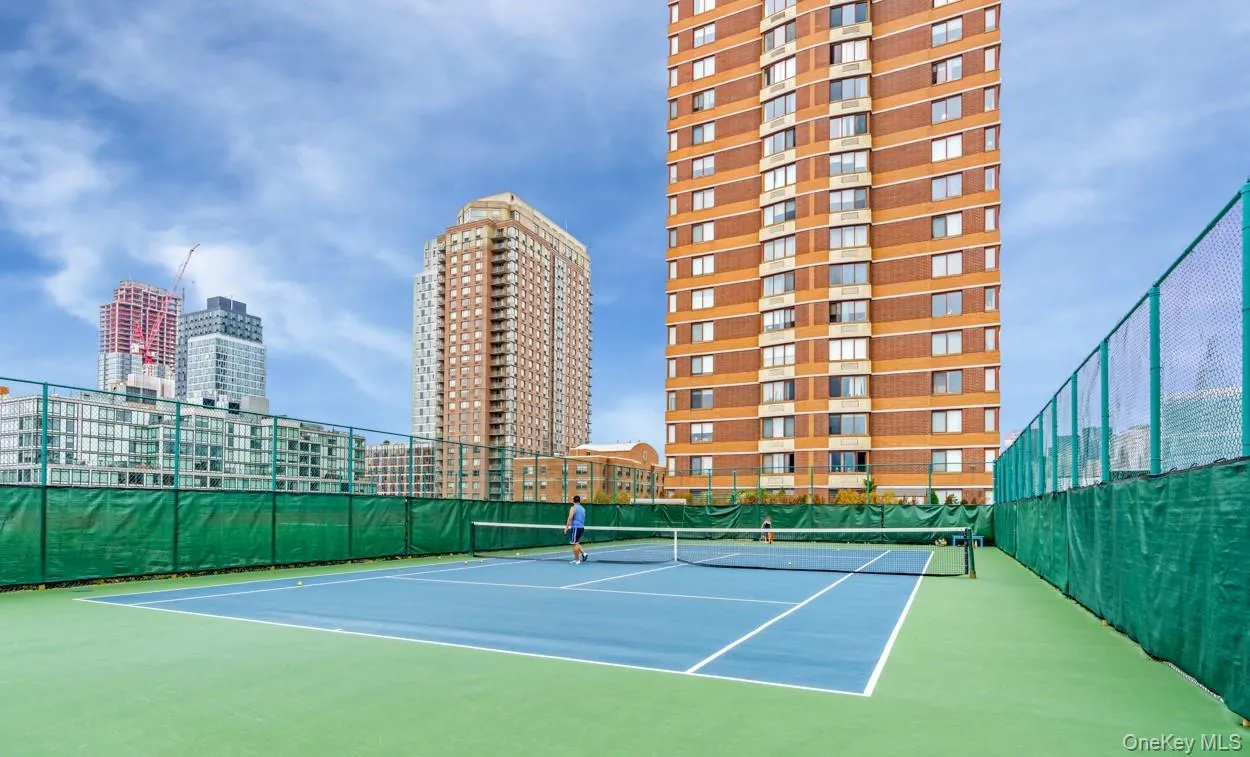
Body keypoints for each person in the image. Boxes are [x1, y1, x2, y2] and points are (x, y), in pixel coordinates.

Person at [564, 495, 589, 564]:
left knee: (574, 544)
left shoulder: (573, 508)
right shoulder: (583, 508)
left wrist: (566, 527)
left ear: (573, 501)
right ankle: (584, 554)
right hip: (581, 528)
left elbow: (570, 518)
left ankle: (577, 560)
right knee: (576, 542)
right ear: (579, 501)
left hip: (576, 528)